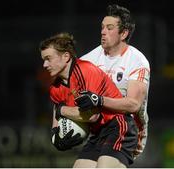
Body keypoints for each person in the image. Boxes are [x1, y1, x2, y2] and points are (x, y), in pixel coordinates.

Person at [58, 4, 150, 168]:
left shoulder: (137, 61)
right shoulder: (88, 61)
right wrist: (58, 121)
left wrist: (98, 100)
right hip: (99, 129)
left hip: (127, 128)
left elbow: (133, 105)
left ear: (124, 33)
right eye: (102, 27)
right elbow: (64, 94)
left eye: (109, 28)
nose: (103, 32)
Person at [39, 32, 138, 168]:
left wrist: (62, 110)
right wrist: (55, 133)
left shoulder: (85, 70)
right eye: (43, 59)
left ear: (66, 56)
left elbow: (92, 115)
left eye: (48, 58)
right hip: (97, 133)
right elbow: (56, 109)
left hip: (118, 126)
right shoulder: (55, 88)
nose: (45, 64)